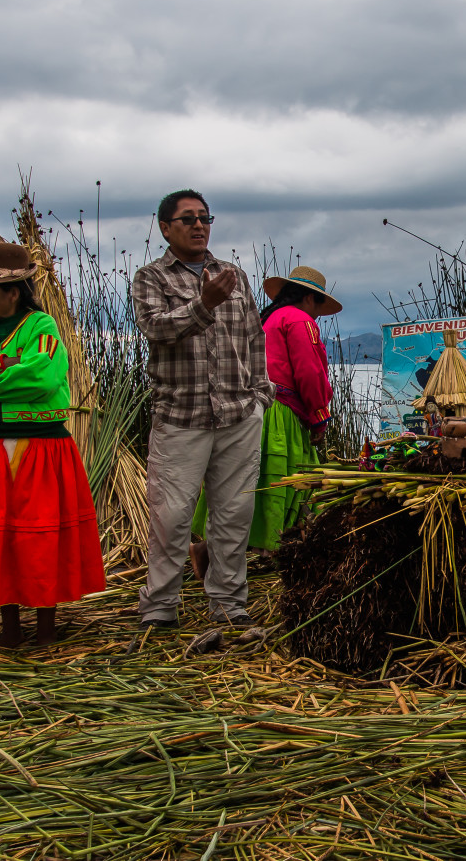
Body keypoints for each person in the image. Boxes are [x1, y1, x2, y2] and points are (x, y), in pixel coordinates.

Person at [0, 242, 105, 648]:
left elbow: (41, 378)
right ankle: (10, 628)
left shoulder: (42, 327)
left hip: (39, 449)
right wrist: (1, 365)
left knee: (38, 536)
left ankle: (45, 629)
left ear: (13, 292)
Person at [131, 190, 272, 629]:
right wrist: (204, 304)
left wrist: (260, 396)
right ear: (165, 228)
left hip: (238, 415)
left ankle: (228, 604)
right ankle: (159, 607)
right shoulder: (151, 278)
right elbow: (156, 329)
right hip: (181, 417)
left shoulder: (233, 275)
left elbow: (254, 338)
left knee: (234, 515)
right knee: (171, 518)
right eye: (188, 218)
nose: (198, 225)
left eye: (205, 218)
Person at [194, 265, 341, 552]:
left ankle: (214, 547)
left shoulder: (268, 318)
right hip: (280, 413)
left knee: (245, 479)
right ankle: (275, 549)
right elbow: (309, 372)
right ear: (309, 298)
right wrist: (319, 417)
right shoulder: (300, 320)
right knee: (288, 480)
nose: (317, 315)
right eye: (318, 306)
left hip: (250, 409)